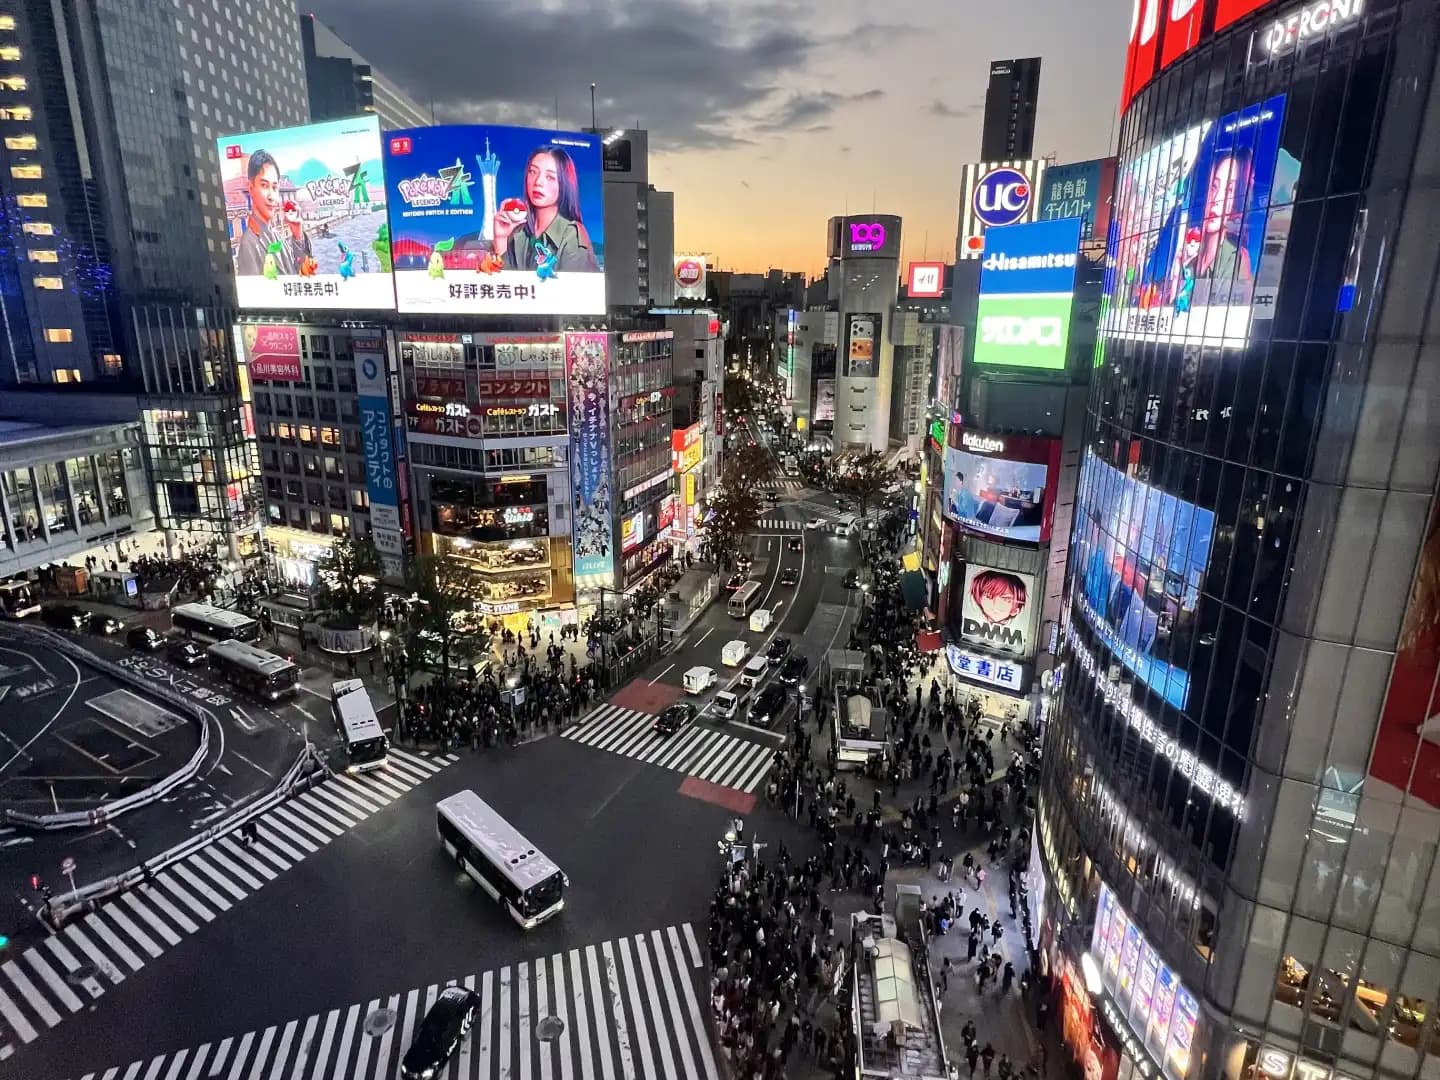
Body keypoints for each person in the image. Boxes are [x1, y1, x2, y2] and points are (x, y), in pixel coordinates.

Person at [489, 145, 600, 273]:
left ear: (564, 184)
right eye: (533, 172)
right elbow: (508, 288)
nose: (538, 182)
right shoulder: (520, 234)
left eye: (550, 177)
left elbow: (573, 291)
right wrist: (501, 239)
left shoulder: (572, 236)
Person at [1196, 149, 1255, 284]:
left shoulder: (1236, 258)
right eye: (1214, 187)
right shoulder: (1191, 259)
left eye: (1229, 190)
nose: (1216, 199)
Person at [236, 149, 293, 277]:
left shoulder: (277, 236)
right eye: (264, 185)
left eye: (274, 187)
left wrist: (298, 235)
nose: (271, 196)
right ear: (251, 188)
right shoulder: (249, 244)